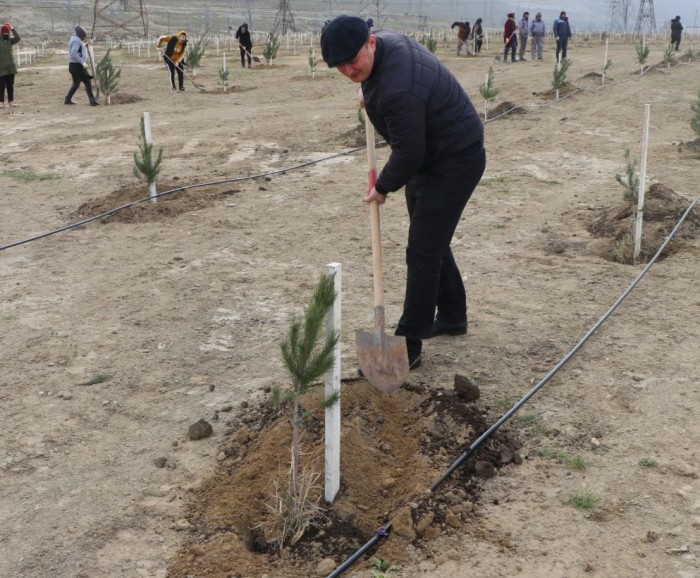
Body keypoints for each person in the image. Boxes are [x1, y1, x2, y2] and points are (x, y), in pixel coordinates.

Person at [320, 16, 486, 370]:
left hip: (456, 158)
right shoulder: (382, 51)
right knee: (431, 239)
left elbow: (409, 152)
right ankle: (453, 314)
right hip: (432, 154)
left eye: (353, 61)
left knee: (423, 250)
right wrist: (369, 89)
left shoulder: (399, 89)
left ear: (371, 43)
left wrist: (381, 187)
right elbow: (411, 143)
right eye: (341, 67)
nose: (349, 71)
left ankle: (409, 343)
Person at [64, 26, 99, 106]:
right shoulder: (76, 40)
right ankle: (92, 100)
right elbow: (73, 53)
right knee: (87, 81)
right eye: (83, 36)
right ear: (80, 34)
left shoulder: (74, 38)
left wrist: (83, 45)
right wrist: (82, 62)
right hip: (77, 66)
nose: (83, 37)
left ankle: (68, 99)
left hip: (74, 65)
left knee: (77, 83)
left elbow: (78, 48)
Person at [0, 22, 20, 109]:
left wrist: (12, 28)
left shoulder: (10, 41)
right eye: (4, 33)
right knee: (1, 86)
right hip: (1, 68)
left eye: (7, 33)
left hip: (10, 68)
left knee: (10, 86)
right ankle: (1, 102)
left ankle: (11, 101)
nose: (6, 34)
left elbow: (18, 38)